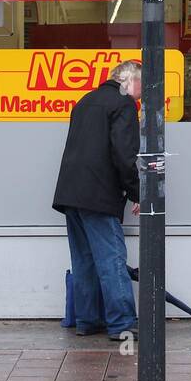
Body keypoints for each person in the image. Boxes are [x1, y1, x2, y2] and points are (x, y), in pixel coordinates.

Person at [52, 60, 142, 340]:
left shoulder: (85, 101)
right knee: (111, 259)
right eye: (141, 84)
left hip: (71, 193)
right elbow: (124, 155)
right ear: (129, 80)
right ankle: (122, 324)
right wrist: (136, 191)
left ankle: (87, 320)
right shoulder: (123, 103)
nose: (142, 91)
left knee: (84, 260)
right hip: (99, 194)